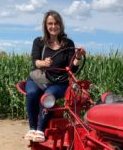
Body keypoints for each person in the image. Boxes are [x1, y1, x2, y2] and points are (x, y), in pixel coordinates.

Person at [25, 11, 85, 142]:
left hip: (59, 81)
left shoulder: (68, 43)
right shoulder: (39, 42)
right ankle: (32, 128)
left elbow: (72, 68)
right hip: (39, 78)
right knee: (32, 93)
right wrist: (44, 63)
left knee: (49, 96)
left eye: (56, 23)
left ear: (61, 25)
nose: (53, 26)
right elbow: (35, 61)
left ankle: (40, 129)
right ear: (46, 26)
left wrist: (78, 57)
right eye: (50, 23)